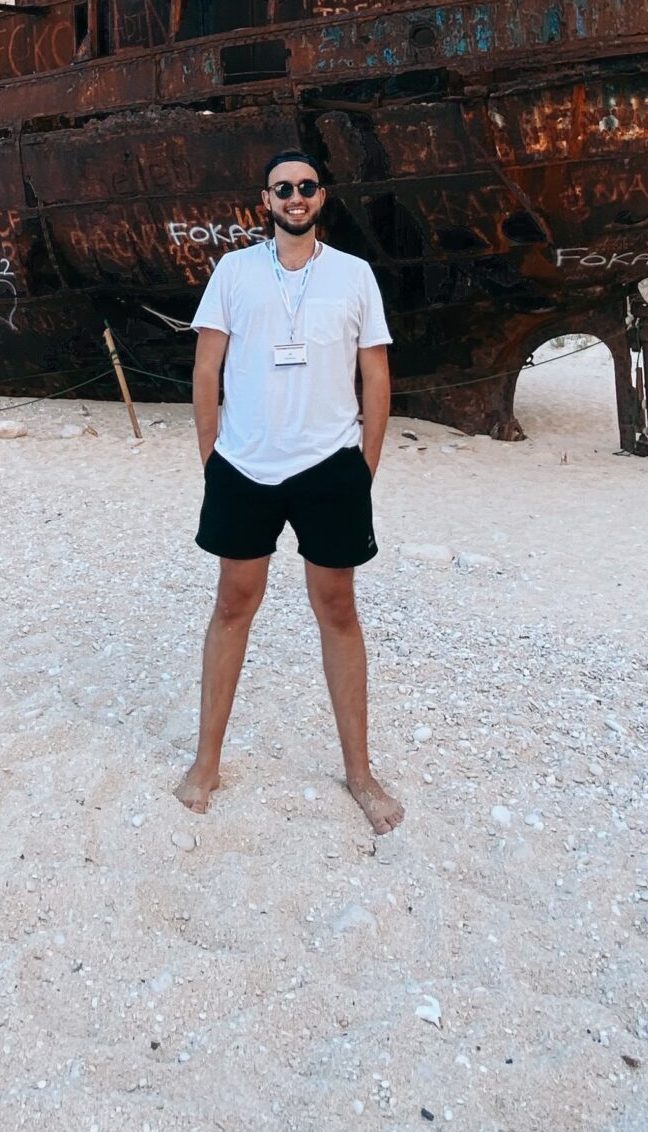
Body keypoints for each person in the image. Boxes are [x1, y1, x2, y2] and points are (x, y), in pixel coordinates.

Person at [174, 150, 404, 835]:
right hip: (244, 465)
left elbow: (376, 373)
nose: (295, 197)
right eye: (283, 188)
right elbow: (206, 368)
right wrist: (212, 457)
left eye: (306, 186)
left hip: (330, 465)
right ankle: (206, 763)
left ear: (321, 196)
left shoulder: (354, 275)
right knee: (232, 603)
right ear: (266, 200)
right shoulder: (234, 271)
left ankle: (359, 773)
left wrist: (364, 465)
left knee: (338, 609)